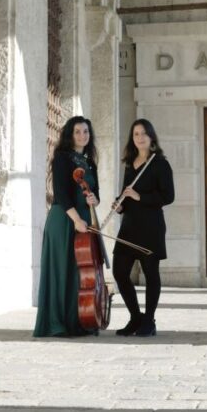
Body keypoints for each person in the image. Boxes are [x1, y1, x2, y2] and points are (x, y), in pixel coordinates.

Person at [34, 116, 100, 337]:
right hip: (65, 219)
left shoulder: (89, 162)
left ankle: (79, 321)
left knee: (79, 274)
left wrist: (94, 200)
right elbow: (61, 193)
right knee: (62, 271)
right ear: (70, 135)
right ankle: (57, 323)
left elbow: (95, 194)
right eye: (78, 131)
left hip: (83, 219)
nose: (83, 135)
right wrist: (77, 220)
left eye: (86, 132)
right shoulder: (62, 158)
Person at [111, 119, 175, 337]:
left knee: (150, 273)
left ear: (151, 137)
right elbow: (126, 195)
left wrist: (140, 197)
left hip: (151, 227)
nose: (139, 138)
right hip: (129, 226)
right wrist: (119, 206)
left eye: (143, 134)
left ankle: (149, 320)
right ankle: (135, 318)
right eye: (136, 134)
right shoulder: (130, 164)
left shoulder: (160, 164)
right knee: (119, 272)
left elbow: (168, 196)